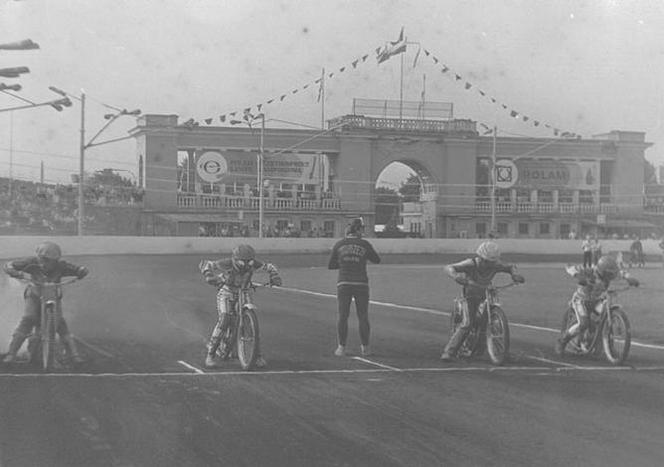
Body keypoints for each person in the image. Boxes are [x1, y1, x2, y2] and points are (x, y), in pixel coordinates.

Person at [2, 241, 89, 363]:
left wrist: (82, 271)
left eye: (49, 260)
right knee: (29, 318)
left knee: (59, 321)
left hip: (53, 295)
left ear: (56, 260)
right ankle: (11, 354)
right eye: (42, 258)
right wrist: (15, 272)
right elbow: (8, 265)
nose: (45, 262)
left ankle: (74, 355)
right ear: (38, 257)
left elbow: (78, 269)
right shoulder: (30, 262)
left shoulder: (61, 266)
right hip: (34, 295)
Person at [198, 244, 282, 369]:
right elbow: (205, 264)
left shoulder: (253, 264)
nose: (247, 265)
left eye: (250, 261)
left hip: (244, 291)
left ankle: (257, 355)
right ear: (235, 259)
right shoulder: (226, 263)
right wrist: (209, 276)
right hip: (227, 292)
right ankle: (210, 355)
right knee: (225, 319)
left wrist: (274, 275)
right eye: (243, 262)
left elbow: (270, 266)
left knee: (251, 323)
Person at [441, 241, 525, 361]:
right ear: (480, 257)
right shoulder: (471, 263)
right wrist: (456, 276)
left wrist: (515, 275)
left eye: (492, 262)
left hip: (486, 294)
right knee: (467, 323)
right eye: (487, 261)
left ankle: (493, 350)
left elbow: (511, 267)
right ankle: (449, 352)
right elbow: (449, 267)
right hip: (469, 296)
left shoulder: (495, 265)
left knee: (486, 321)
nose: (489, 265)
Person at [556, 255, 639, 355]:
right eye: (609, 274)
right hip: (581, 300)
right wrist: (579, 276)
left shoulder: (609, 275)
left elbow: (621, 273)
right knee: (583, 323)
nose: (610, 277)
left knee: (604, 315)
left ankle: (605, 344)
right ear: (602, 270)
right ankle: (562, 341)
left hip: (596, 301)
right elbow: (569, 267)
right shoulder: (590, 272)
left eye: (611, 274)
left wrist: (630, 278)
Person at [328, 217, 381, 357]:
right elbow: (377, 260)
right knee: (363, 316)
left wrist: (344, 262)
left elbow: (331, 265)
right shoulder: (364, 244)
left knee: (342, 315)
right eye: (362, 228)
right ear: (358, 229)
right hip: (361, 283)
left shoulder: (339, 244)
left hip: (344, 282)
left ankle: (341, 347)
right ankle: (365, 347)